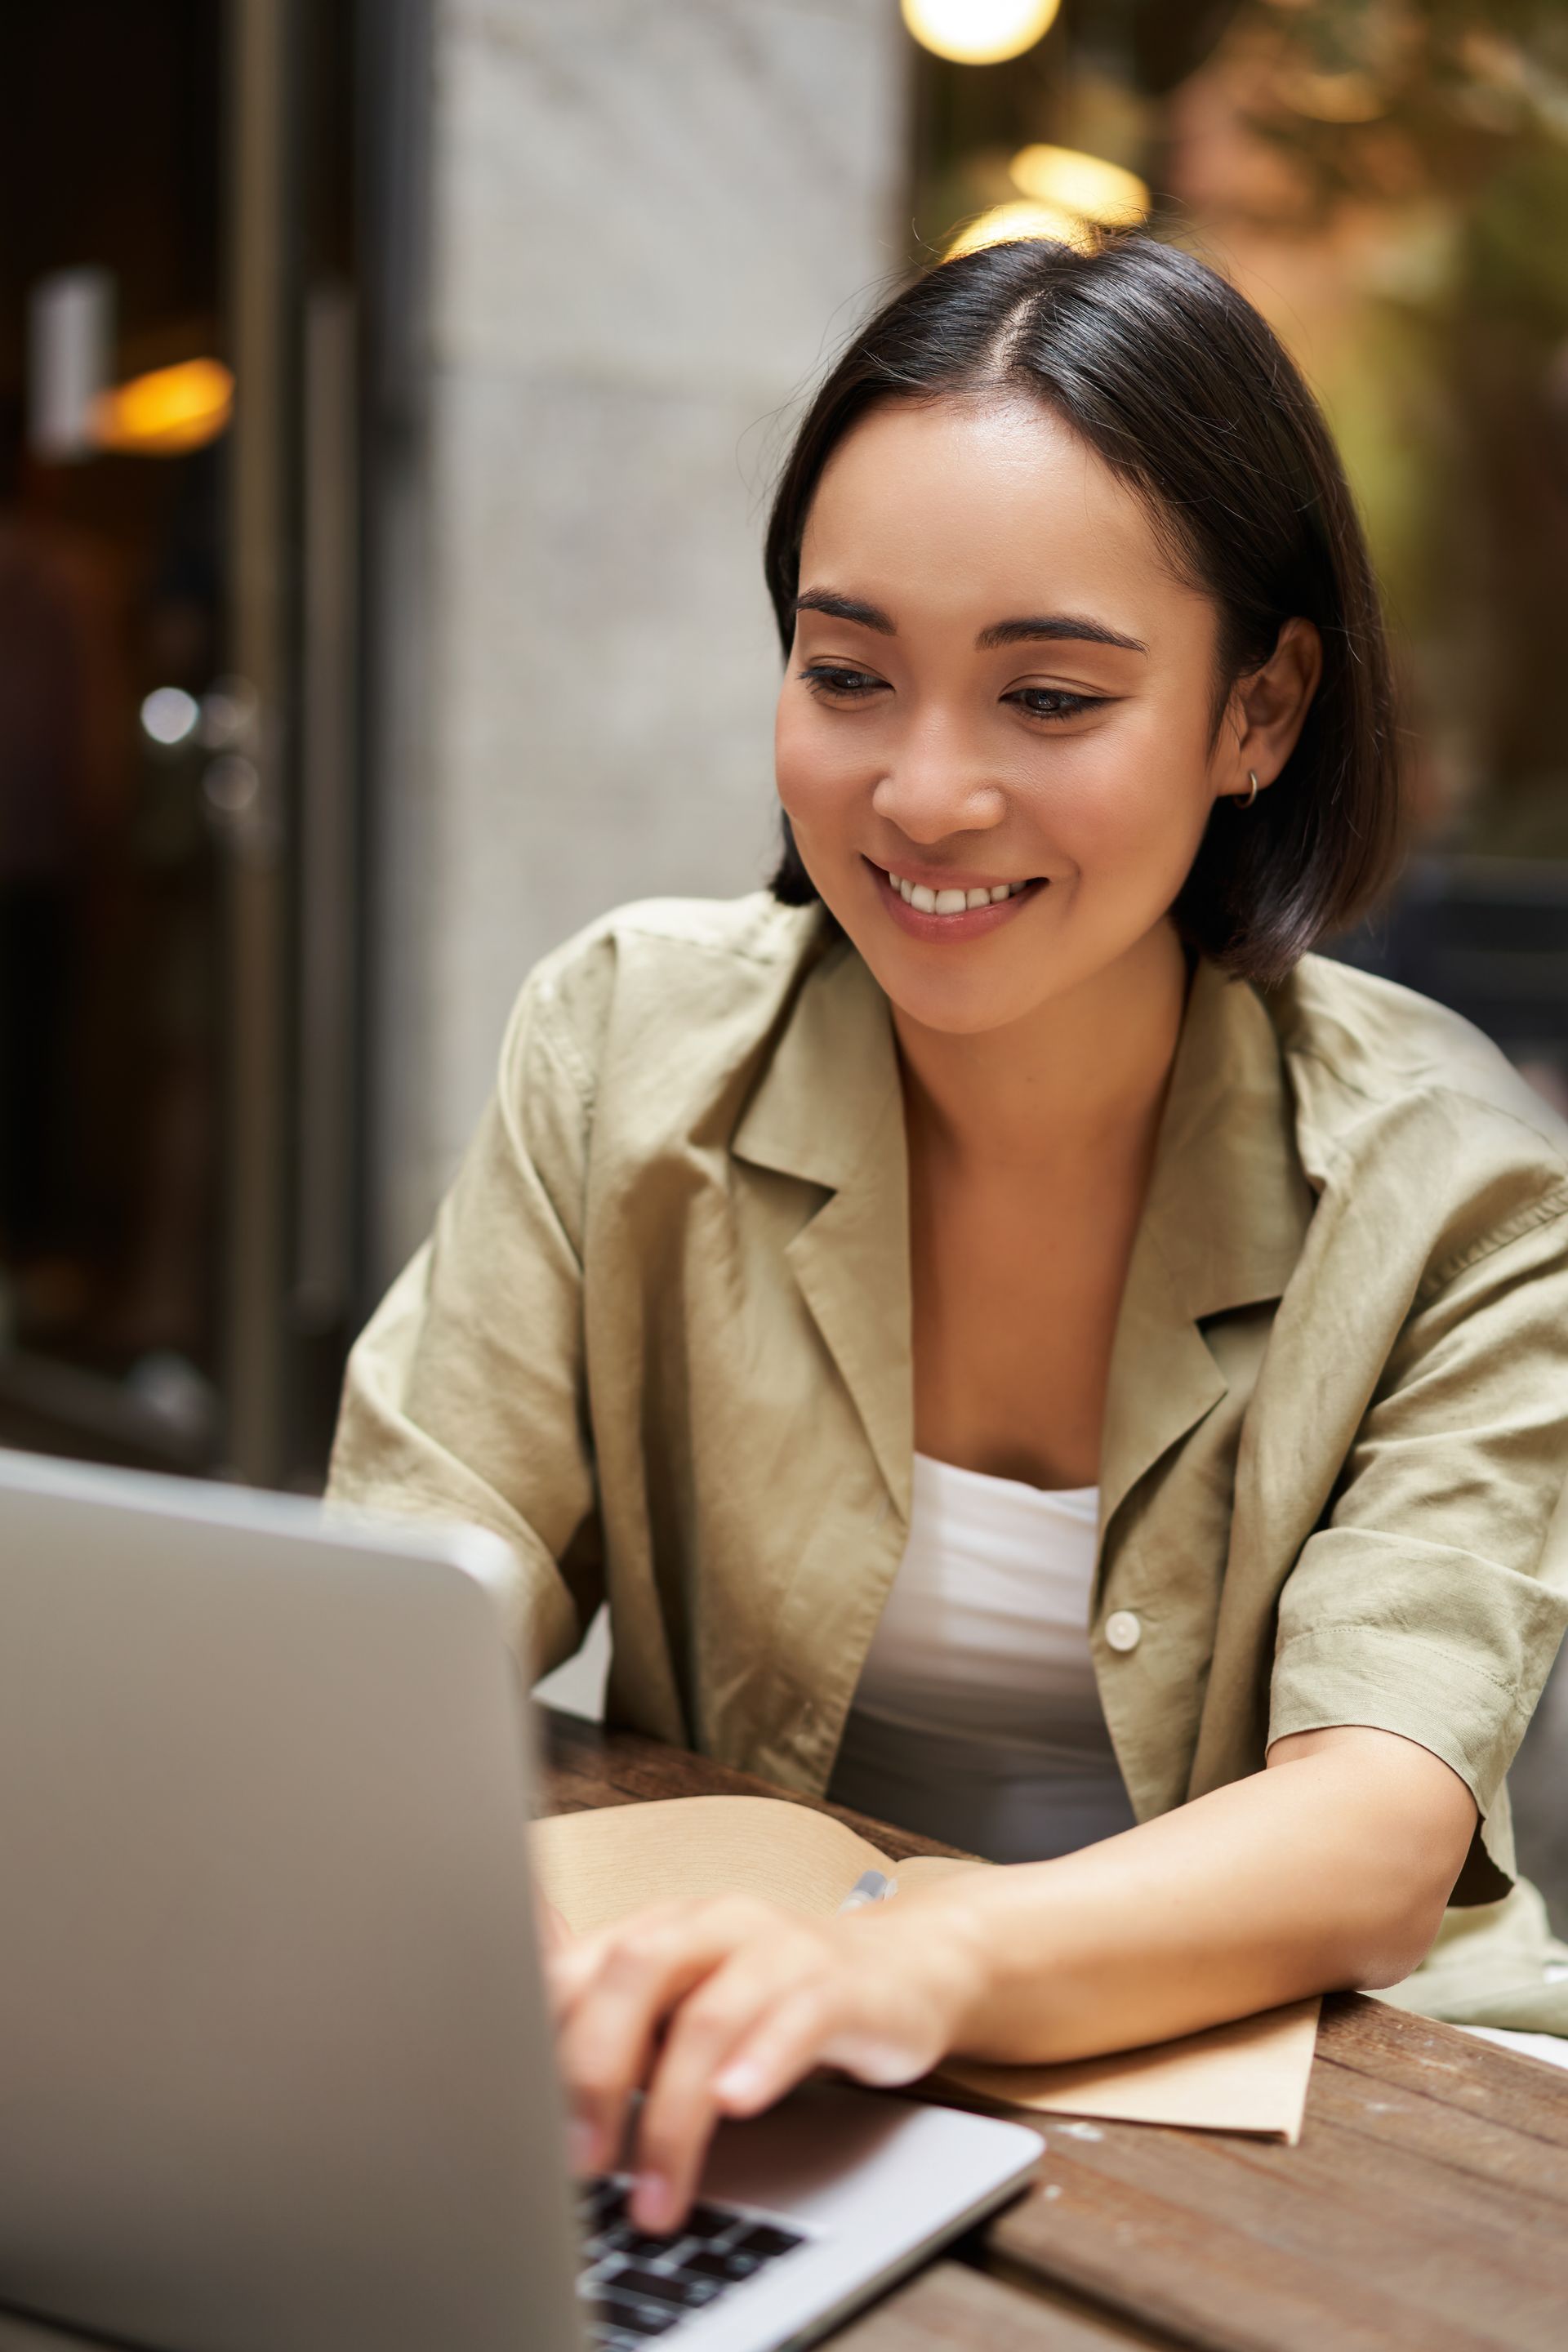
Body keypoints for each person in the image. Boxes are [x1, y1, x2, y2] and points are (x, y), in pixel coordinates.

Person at [329, 234, 1568, 2230]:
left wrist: (902, 1960)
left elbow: (1374, 1832)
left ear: (1259, 711)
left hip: (1327, 2138)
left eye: (1051, 695)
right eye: (846, 672)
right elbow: (415, 1577)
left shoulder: (1456, 1188)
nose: (924, 790)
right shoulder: (626, 1040)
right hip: (752, 2104)